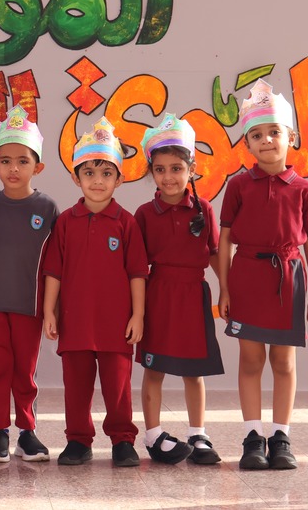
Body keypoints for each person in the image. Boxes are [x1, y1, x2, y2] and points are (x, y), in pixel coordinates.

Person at [218, 80, 308, 471]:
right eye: (257, 135)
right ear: (247, 144)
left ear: (290, 137)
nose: (266, 140)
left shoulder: (305, 190)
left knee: (284, 361)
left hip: (288, 280)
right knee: (250, 360)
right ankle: (252, 436)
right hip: (247, 277)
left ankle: (281, 437)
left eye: (274, 132)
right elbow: (225, 239)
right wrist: (224, 289)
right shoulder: (238, 186)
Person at [42, 117, 148, 467]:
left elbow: (137, 273)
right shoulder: (65, 222)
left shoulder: (126, 222)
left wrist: (137, 315)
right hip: (75, 322)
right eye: (89, 173)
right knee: (76, 387)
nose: (98, 181)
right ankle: (78, 440)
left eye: (106, 173)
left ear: (119, 179)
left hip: (115, 323)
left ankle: (122, 440)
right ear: (76, 178)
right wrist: (49, 311)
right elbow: (54, 271)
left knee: (118, 387)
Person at [135, 114, 224, 465]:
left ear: (192, 169)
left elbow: (214, 254)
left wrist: (227, 290)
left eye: (176, 168)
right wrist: (136, 310)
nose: (168, 177)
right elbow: (136, 267)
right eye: (160, 169)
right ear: (151, 172)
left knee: (193, 371)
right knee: (153, 369)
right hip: (158, 296)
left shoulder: (204, 209)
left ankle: (198, 433)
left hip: (193, 295)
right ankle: (153, 434)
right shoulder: (144, 213)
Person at [0, 104, 58, 463]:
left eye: (23, 161)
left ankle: (27, 432)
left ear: (37, 167)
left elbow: (56, 265)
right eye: (5, 161)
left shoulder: (48, 209)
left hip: (30, 305)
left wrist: (52, 309)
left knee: (25, 371)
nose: (14, 168)